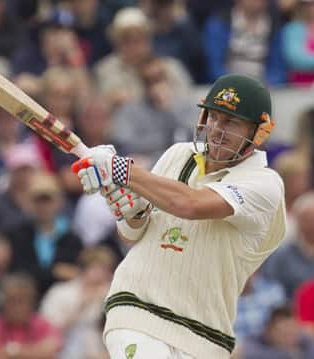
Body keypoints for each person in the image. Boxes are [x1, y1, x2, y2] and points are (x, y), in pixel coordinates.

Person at [72, 74, 286, 358]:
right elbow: (132, 234)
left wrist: (122, 171)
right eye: (214, 117)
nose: (218, 130)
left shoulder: (265, 184)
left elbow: (190, 205)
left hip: (205, 336)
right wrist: (131, 210)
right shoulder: (178, 155)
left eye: (232, 122)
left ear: (258, 132)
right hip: (137, 309)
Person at [5, 171, 83, 296]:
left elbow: (75, 272)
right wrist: (54, 272)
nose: (43, 206)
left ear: (58, 202)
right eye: (37, 201)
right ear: (30, 203)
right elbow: (18, 270)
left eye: (47, 200)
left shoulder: (72, 239)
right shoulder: (18, 235)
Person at [40, 246, 116, 359]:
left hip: (102, 352)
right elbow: (48, 330)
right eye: (96, 268)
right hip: (63, 352)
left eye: (106, 270)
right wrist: (82, 305)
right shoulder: (60, 292)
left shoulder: (113, 295)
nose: (102, 274)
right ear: (84, 269)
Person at [0, 274, 62, 359]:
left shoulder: (44, 324)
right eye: (12, 300)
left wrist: (11, 351)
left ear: (32, 303)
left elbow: (50, 351)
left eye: (22, 301)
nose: (17, 307)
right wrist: (32, 352)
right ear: (2, 302)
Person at [262, 191, 314, 299]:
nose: (312, 224)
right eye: (307, 218)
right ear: (297, 220)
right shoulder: (282, 254)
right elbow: (270, 285)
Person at [243, 306, 314, 359]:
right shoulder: (254, 346)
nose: (289, 336)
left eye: (292, 330)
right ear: (269, 332)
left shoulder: (307, 342)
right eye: (283, 332)